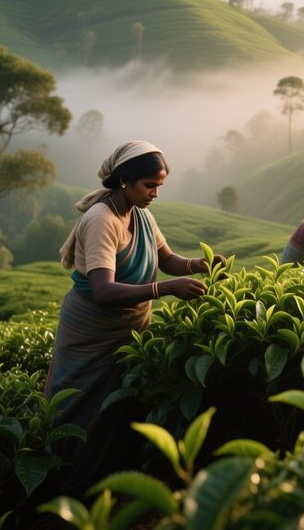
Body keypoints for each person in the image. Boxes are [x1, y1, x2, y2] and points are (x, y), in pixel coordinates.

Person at [45, 140, 227, 494]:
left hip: (130, 330)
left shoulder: (141, 215)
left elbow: (167, 259)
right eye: (150, 185)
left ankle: (111, 488)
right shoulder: (102, 220)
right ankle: (68, 490)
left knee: (119, 407)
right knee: (82, 408)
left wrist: (201, 265)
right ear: (125, 181)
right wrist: (165, 290)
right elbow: (103, 290)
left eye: (159, 185)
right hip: (91, 332)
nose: (155, 193)